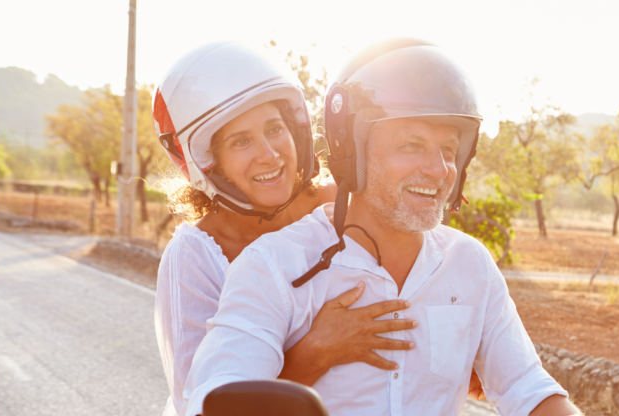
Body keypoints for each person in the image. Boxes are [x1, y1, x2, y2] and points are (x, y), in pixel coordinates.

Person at [183, 39, 580, 416]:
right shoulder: (274, 267)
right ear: (352, 151)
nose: (439, 169)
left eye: (447, 150)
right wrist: (310, 356)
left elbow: (527, 389)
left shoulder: (470, 264)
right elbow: (220, 395)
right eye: (411, 145)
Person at [152, 42, 421, 416]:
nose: (269, 153)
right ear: (211, 163)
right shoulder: (195, 256)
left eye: (274, 128)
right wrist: (317, 350)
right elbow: (201, 406)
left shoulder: (343, 206)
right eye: (241, 141)